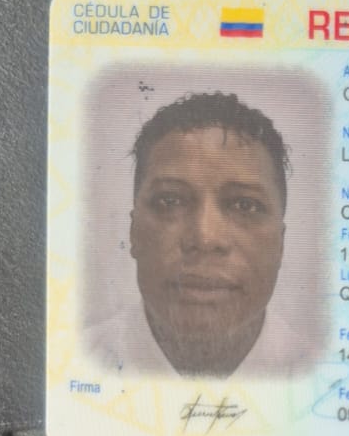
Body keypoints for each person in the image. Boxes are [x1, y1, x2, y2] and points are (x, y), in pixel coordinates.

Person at [87, 91, 309, 378]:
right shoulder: (71, 362)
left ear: (280, 243)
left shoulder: (326, 376)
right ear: (134, 232)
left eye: (245, 205)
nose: (205, 238)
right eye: (170, 201)